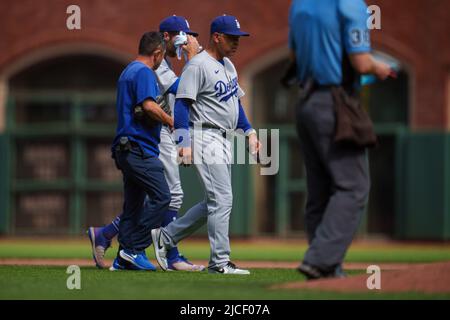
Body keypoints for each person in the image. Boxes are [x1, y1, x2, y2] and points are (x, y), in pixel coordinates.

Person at [87, 16, 205, 271]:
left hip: (135, 144)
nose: (184, 41)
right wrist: (194, 60)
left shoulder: (139, 68)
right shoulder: (147, 69)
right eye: (180, 36)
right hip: (142, 143)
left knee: (137, 203)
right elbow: (158, 102)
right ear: (160, 45)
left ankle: (119, 248)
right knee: (167, 196)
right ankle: (152, 251)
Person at [287, 0, 394, 279]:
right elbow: (360, 62)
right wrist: (379, 67)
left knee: (320, 189)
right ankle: (320, 260)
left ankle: (328, 269)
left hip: (305, 102)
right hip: (334, 102)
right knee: (353, 186)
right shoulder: (350, 4)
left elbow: (294, 58)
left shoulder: (299, 5)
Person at [150, 15, 261, 275]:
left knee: (214, 201)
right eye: (232, 38)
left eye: (239, 38)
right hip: (203, 134)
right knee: (222, 199)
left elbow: (236, 105)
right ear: (216, 37)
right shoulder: (197, 65)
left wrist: (250, 132)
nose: (236, 43)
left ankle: (165, 237)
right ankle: (219, 262)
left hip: (223, 137)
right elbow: (182, 104)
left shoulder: (228, 65)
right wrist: (183, 142)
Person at [108, 31, 173, 271]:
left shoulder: (128, 71)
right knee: (162, 196)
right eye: (162, 56)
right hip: (139, 147)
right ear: (157, 54)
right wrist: (170, 119)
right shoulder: (145, 72)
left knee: (133, 204)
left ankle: (122, 259)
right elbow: (148, 106)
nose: (161, 60)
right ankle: (133, 249)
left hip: (125, 147)